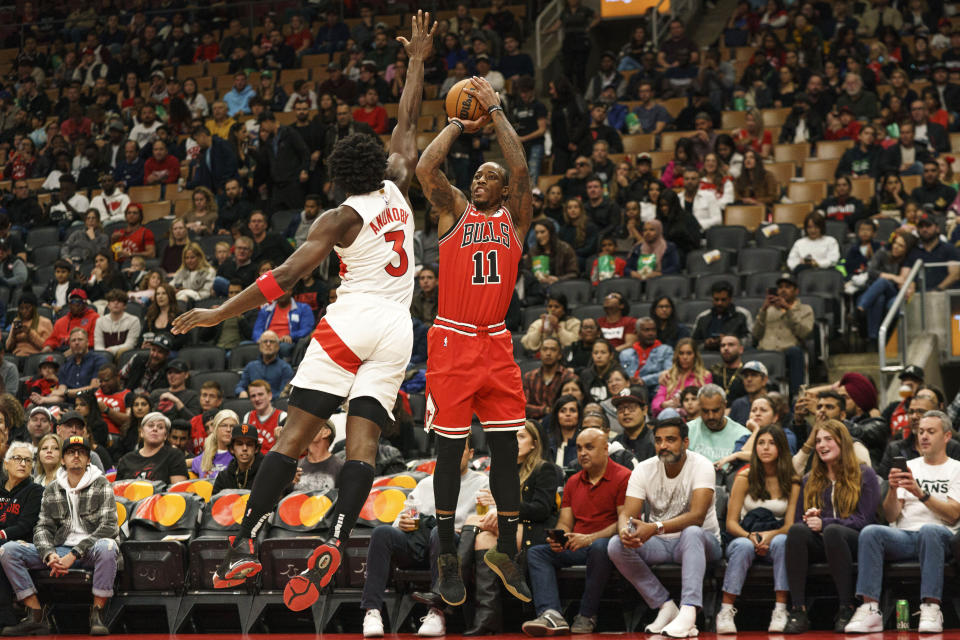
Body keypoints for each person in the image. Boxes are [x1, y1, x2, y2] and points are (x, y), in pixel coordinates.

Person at [414, 71, 535, 607]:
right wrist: (459, 125)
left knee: (506, 445)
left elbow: (521, 167)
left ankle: (506, 547)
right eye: (477, 177)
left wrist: (498, 111)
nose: (482, 180)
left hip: (496, 343)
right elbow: (425, 167)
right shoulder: (454, 212)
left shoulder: (516, 219)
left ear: (504, 191)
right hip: (454, 340)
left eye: (490, 177)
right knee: (451, 449)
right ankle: (444, 555)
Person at [360, 436, 487, 638]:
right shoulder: (427, 484)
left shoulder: (483, 483)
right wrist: (401, 523)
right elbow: (407, 515)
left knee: (440, 531)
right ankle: (372, 612)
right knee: (382, 532)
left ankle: (437, 612)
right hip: (419, 543)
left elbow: (488, 520)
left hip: (456, 549)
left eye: (459, 449)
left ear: (471, 454)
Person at [844, 410, 959, 633]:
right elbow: (890, 516)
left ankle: (931, 607)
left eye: (931, 432)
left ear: (946, 437)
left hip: (941, 536)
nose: (924, 436)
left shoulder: (956, 469)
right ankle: (870, 609)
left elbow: (953, 514)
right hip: (905, 537)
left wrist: (920, 492)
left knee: (930, 530)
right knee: (871, 532)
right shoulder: (910, 466)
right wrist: (893, 490)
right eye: (921, 431)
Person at [608, 416, 722, 638]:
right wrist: (625, 531)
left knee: (692, 532)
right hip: (661, 542)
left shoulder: (702, 466)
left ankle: (689, 612)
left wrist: (655, 527)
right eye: (659, 440)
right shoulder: (643, 469)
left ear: (685, 442)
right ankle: (665, 605)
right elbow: (627, 514)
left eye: (670, 440)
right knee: (616, 545)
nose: (663, 446)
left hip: (702, 543)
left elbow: (697, 517)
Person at [0, 435, 118, 636]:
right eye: (71, 452)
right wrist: (49, 554)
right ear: (62, 459)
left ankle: (97, 613)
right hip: (59, 549)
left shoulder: (101, 484)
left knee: (108, 546)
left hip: (90, 550)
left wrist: (75, 553)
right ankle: (36, 613)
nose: (76, 456)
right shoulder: (53, 488)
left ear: (89, 459)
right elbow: (42, 527)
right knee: (7, 550)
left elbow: (109, 527)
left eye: (81, 453)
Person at [521, 428, 630, 635]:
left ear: (606, 449)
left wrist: (589, 538)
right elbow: (565, 522)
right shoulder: (573, 481)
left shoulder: (624, 477)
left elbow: (624, 522)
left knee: (600, 547)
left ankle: (587, 614)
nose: (582, 453)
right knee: (537, 552)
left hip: (610, 545)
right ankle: (551, 613)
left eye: (589, 447)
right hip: (577, 544)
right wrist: (560, 538)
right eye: (579, 448)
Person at [782, 419, 882, 634]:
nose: (821, 445)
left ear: (843, 442)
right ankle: (798, 609)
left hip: (856, 541)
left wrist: (826, 522)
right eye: (818, 440)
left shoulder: (864, 474)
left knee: (833, 531)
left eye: (828, 439)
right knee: (797, 531)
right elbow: (800, 521)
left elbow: (864, 520)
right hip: (824, 541)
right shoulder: (810, 479)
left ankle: (846, 607)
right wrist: (810, 518)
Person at [717, 425, 801, 633]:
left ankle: (780, 610)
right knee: (744, 546)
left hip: (776, 537)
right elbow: (731, 524)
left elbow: (790, 525)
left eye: (772, 443)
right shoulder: (745, 477)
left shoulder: (793, 481)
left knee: (783, 542)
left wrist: (768, 537)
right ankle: (726, 610)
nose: (765, 448)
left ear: (781, 448)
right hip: (743, 535)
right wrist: (751, 536)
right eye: (761, 443)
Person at [754, 274, 814, 396]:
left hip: (788, 351)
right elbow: (756, 334)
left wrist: (788, 310)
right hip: (766, 350)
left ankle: (797, 397)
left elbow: (804, 333)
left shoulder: (805, 309)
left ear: (796, 291)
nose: (783, 290)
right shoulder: (768, 309)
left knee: (796, 352)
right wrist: (763, 310)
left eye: (787, 287)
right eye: (780, 287)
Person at [115, 412, 189, 483]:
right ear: (141, 432)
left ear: (165, 436)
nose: (155, 429)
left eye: (160, 427)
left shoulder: (174, 455)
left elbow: (178, 491)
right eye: (150, 426)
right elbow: (117, 490)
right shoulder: (127, 459)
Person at [686, 384, 750, 465]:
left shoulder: (742, 435)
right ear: (699, 407)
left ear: (725, 406)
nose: (711, 416)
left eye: (715, 410)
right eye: (705, 411)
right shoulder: (687, 431)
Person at [652, 338, 712, 416]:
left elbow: (707, 403)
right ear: (677, 355)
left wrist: (682, 408)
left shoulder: (705, 376)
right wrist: (663, 405)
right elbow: (656, 401)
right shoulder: (669, 375)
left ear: (695, 355)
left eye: (689, 353)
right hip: (669, 415)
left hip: (693, 417)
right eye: (681, 353)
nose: (685, 357)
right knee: (669, 413)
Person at [523, 338, 577, 421]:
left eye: (553, 350)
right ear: (540, 353)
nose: (548, 353)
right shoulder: (529, 377)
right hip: (532, 424)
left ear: (559, 355)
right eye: (545, 349)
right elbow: (522, 406)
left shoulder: (569, 377)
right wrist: (545, 410)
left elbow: (573, 405)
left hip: (559, 423)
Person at [251, 293, 315, 358]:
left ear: (291, 290)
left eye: (284, 290)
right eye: (279, 291)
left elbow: (307, 329)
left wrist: (291, 336)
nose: (281, 293)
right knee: (244, 346)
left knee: (284, 347)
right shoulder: (266, 310)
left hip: (286, 342)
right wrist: (259, 338)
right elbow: (257, 329)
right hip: (267, 340)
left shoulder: (303, 308)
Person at [691, 282, 751, 350]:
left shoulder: (742, 315)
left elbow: (749, 341)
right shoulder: (702, 317)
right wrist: (705, 344)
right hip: (707, 355)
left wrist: (728, 342)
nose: (719, 303)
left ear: (730, 299)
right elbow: (693, 344)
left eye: (723, 300)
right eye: (716, 299)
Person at [619, 317, 673, 393]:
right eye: (646, 330)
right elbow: (621, 376)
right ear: (636, 332)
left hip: (654, 390)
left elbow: (669, 373)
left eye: (653, 330)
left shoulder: (665, 350)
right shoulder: (625, 354)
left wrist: (644, 380)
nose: (651, 333)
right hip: (629, 390)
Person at [236, 332, 294, 397]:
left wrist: (264, 398)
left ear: (277, 346)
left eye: (272, 342)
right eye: (265, 341)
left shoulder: (285, 368)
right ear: (260, 346)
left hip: (274, 404)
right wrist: (241, 391)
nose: (268, 344)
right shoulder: (250, 366)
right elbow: (240, 386)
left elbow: (283, 394)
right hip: (253, 403)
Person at [239, 380, 288, 455]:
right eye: (253, 396)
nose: (257, 399)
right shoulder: (248, 416)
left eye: (260, 394)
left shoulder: (282, 416)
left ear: (270, 396)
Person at [293, 422, 343, 493]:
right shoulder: (295, 467)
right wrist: (288, 483)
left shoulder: (341, 467)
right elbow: (279, 499)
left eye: (310, 427)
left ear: (325, 432)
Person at [212, 423, 263, 492]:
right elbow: (215, 501)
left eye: (249, 444)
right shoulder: (224, 477)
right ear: (232, 449)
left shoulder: (266, 473)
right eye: (239, 444)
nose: (244, 448)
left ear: (256, 449)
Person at [191, 410, 240, 480]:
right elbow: (189, 463)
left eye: (232, 426)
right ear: (215, 429)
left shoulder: (241, 455)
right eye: (224, 425)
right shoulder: (205, 456)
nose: (228, 430)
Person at [6, 292, 52, 357]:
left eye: (27, 308)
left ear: (34, 307)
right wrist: (13, 335)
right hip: (18, 356)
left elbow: (47, 347)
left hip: (35, 358)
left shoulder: (45, 322)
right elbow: (8, 347)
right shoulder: (17, 321)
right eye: (21, 308)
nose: (24, 311)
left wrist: (30, 333)